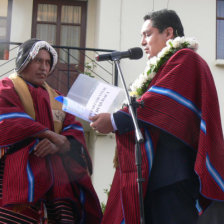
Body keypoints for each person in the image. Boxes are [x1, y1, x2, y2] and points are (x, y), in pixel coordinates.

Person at [89, 9, 224, 224]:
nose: (142, 42)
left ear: (168, 33)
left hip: (172, 174)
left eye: (147, 34)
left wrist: (114, 120)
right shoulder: (163, 66)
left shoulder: (185, 58)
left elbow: (159, 101)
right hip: (154, 175)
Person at [0, 39, 102, 223]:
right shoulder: (7, 88)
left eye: (48, 62)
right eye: (38, 60)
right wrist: (50, 135)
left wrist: (59, 145)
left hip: (56, 177)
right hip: (18, 173)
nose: (44, 67)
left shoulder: (57, 98)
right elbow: (7, 120)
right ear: (24, 61)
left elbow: (74, 129)